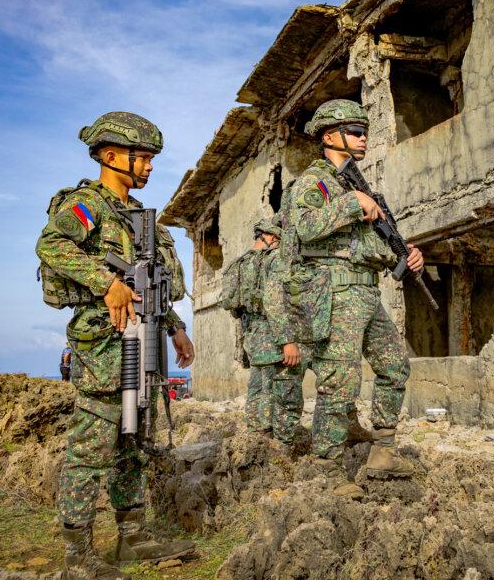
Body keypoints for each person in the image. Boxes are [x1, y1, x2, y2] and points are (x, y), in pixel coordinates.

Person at [37, 112, 195, 579]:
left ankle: (132, 537)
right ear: (110, 156)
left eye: (150, 160)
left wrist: (174, 326)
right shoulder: (88, 206)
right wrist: (105, 282)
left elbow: (151, 281)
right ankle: (77, 555)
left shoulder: (139, 220)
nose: (148, 168)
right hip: (103, 342)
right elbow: (51, 245)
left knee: (133, 439)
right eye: (141, 158)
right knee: (92, 446)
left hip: (143, 337)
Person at [289, 99, 423, 499]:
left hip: (366, 288)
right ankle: (327, 469)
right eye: (355, 132)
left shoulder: (359, 185)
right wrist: (352, 204)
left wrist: (408, 255)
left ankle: (383, 450)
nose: (364, 138)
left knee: (395, 366)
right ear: (330, 136)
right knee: (340, 380)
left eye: (365, 132)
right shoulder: (314, 182)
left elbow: (374, 245)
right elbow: (304, 227)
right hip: (335, 289)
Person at [220, 219, 300, 437]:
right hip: (273, 335)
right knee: (285, 393)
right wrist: (287, 340)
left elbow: (230, 302)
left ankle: (258, 436)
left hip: (252, 335)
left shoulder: (240, 263)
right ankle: (282, 445)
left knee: (257, 388)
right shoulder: (274, 261)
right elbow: (275, 302)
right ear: (272, 236)